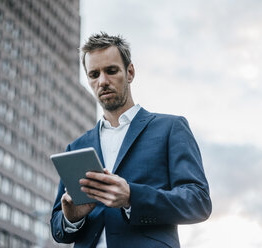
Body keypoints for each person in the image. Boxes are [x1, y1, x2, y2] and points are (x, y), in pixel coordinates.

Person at [50, 32, 212, 248]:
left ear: (130, 72)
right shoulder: (77, 147)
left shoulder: (170, 128)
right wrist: (72, 218)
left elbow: (198, 201)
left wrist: (131, 197)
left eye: (111, 70)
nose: (103, 81)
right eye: (94, 74)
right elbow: (57, 229)